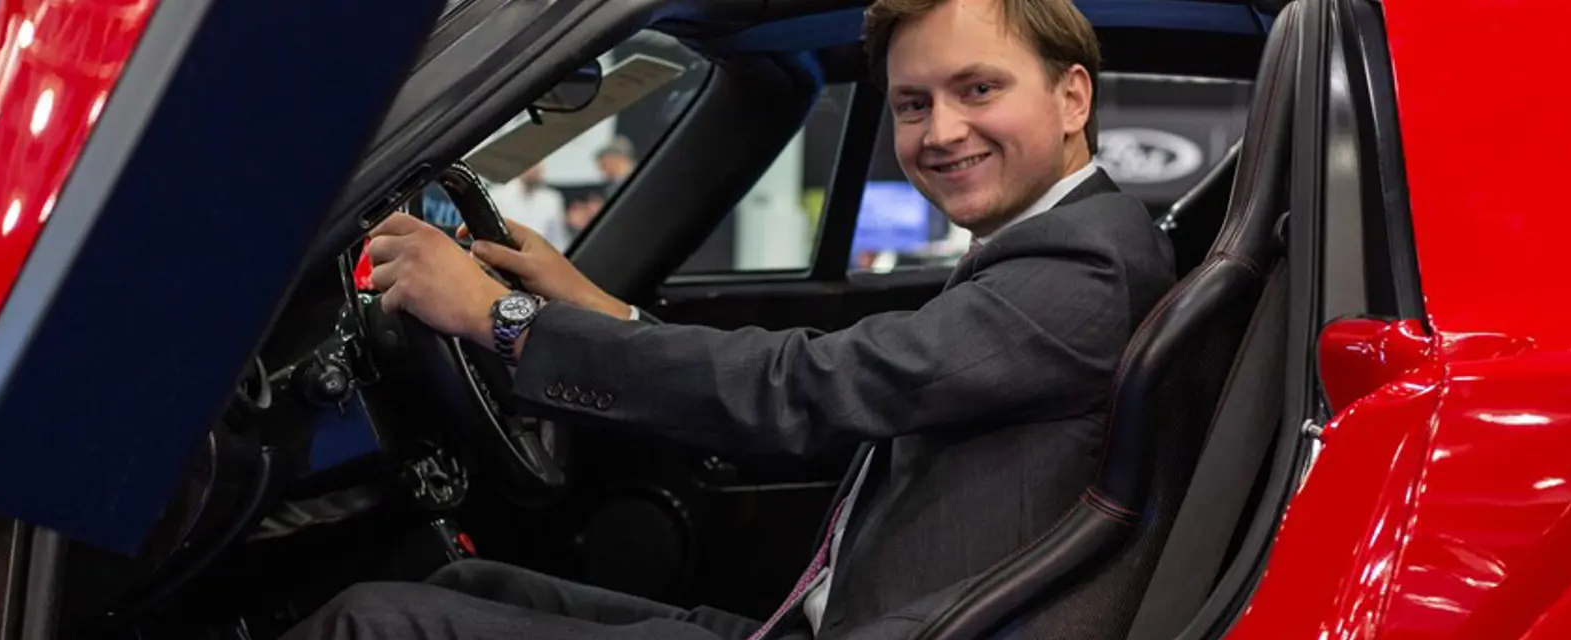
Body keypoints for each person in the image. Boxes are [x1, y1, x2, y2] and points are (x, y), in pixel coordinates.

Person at [283, 0, 1175, 637]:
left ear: (1072, 98)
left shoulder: (1082, 267)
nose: (940, 131)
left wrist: (502, 317)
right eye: (913, 103)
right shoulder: (1063, 248)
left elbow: (808, 389)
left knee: (372, 621)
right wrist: (592, 306)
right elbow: (857, 404)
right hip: (839, 615)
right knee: (465, 583)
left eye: (977, 89)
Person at [490, 163, 572, 248]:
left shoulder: (552, 200)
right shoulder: (498, 196)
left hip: (540, 252)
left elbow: (558, 240)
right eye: (530, 164)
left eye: (537, 165)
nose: (533, 169)